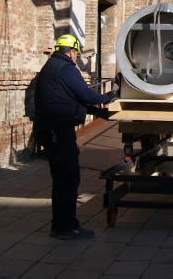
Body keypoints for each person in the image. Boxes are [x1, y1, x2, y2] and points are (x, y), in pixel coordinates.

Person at [34, 34, 116, 239]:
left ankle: (59, 225)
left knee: (61, 179)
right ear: (72, 52)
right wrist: (108, 98)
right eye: (76, 54)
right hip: (58, 131)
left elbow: (69, 98)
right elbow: (85, 95)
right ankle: (67, 227)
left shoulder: (51, 66)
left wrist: (98, 112)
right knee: (69, 178)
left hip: (50, 129)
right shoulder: (66, 68)